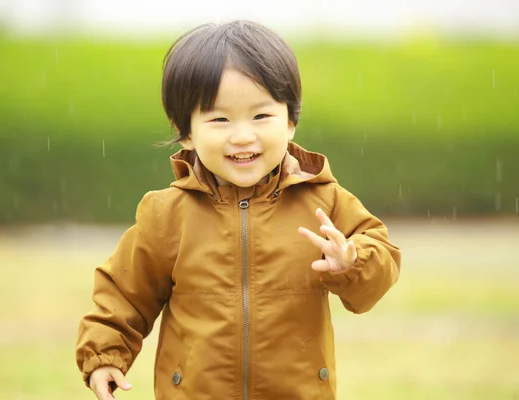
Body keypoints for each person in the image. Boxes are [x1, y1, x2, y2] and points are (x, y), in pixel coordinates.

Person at [76, 20, 401, 400]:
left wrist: (353, 262)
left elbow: (380, 262)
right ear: (186, 132)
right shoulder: (167, 214)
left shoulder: (323, 201)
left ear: (291, 121)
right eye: (220, 119)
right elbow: (125, 294)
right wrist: (104, 355)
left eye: (261, 116)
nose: (243, 135)